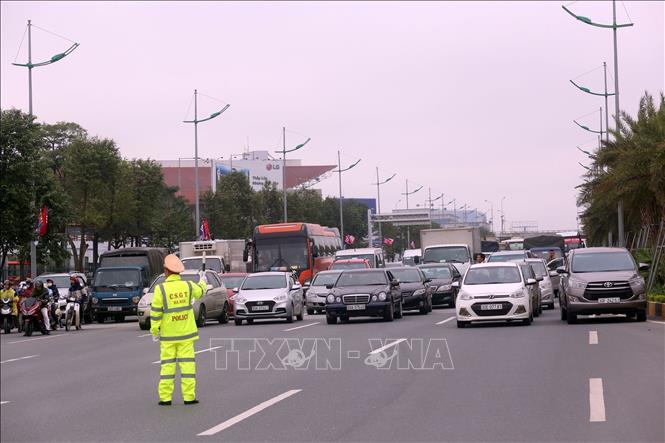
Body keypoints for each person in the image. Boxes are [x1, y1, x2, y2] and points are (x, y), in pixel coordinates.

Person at [150, 254, 207, 406]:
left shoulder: (160, 289)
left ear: (166, 271)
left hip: (168, 336)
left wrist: (155, 331)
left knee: (167, 367)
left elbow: (155, 313)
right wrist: (203, 282)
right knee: (188, 366)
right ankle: (189, 397)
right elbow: (201, 292)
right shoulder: (188, 286)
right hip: (186, 335)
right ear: (179, 272)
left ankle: (165, 398)